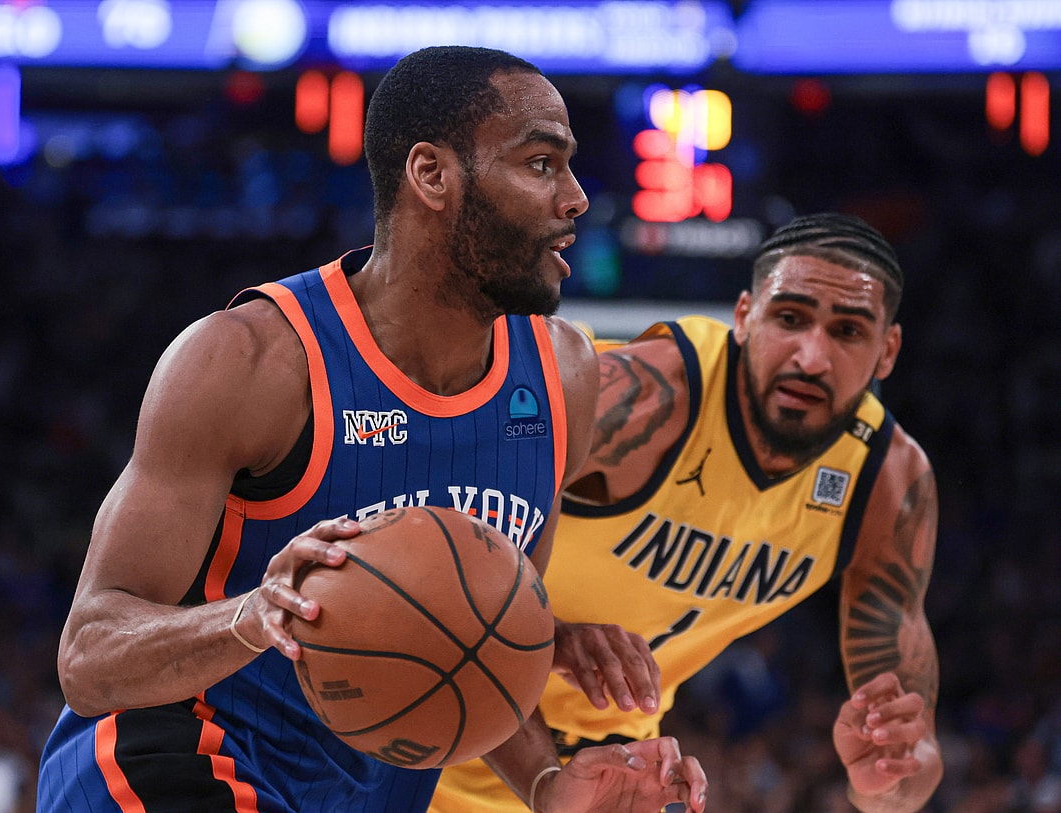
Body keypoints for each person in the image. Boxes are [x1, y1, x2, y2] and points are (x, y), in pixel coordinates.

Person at [36, 45, 707, 813]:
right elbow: (89, 655)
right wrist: (251, 616)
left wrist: (549, 783)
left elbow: (467, 640)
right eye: (541, 164)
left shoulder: (563, 376)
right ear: (432, 176)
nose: (577, 197)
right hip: (175, 765)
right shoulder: (252, 358)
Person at [433, 212, 943, 812]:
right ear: (746, 315)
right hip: (437, 728)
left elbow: (908, 781)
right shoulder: (638, 403)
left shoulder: (887, 485)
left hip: (603, 778)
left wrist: (882, 777)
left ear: (887, 351)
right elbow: (421, 559)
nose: (811, 357)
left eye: (849, 332)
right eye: (790, 318)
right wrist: (544, 640)